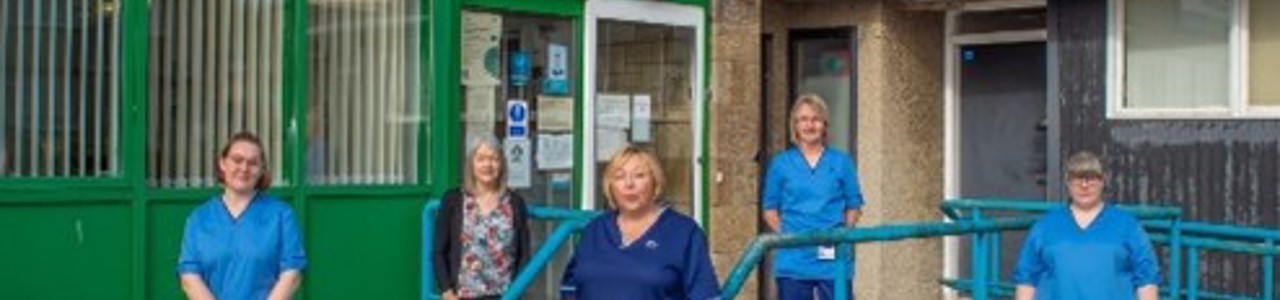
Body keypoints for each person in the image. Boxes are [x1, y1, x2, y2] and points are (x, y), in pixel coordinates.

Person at [560, 146, 719, 300]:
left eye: (639, 175)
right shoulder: (595, 230)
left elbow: (705, 294)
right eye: (619, 177)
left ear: (655, 182)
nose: (629, 184)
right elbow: (570, 287)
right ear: (610, 186)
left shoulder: (683, 233)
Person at [1013, 151, 1160, 300]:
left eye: (1091, 178)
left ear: (1103, 181)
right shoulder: (1045, 226)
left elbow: (1146, 279)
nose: (1084, 185)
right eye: (1077, 178)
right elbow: (1027, 279)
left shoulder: (1127, 225)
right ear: (1067, 183)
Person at [178, 132, 306, 300]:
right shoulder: (199, 218)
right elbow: (189, 276)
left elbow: (292, 274)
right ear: (222, 164)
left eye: (253, 163)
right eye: (237, 160)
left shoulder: (281, 216)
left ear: (261, 170)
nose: (244, 168)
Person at [762, 94, 864, 300]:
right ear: (795, 125)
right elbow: (770, 209)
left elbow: (854, 205)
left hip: (832, 259)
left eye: (816, 119)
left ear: (824, 125)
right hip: (793, 260)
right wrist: (790, 236)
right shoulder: (781, 164)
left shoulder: (841, 161)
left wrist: (840, 234)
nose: (810, 125)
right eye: (804, 120)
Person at [433, 136, 531, 300]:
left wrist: (516, 291)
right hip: (462, 295)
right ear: (471, 164)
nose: (488, 165)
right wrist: (446, 291)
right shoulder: (453, 200)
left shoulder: (515, 202)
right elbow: (439, 251)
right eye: (481, 159)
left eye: (494, 159)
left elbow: (524, 253)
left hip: (505, 295)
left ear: (502, 164)